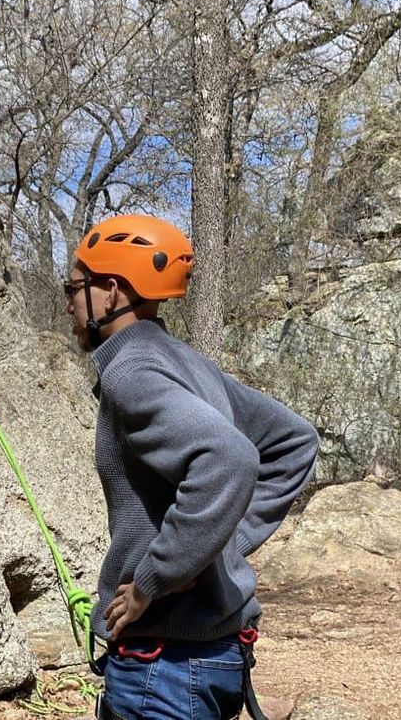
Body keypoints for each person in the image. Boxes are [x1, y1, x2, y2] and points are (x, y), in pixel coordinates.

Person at [65, 215, 318, 720]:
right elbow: (294, 442)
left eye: (74, 287)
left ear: (111, 292)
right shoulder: (186, 362)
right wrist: (205, 547)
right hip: (213, 655)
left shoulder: (133, 373)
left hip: (166, 666)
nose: (69, 302)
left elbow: (231, 459)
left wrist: (158, 576)